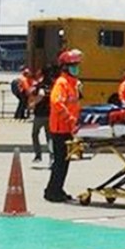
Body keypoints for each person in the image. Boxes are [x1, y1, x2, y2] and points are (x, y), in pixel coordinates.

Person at [45, 49, 84, 203]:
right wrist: (70, 119)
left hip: (67, 128)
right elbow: (57, 103)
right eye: (73, 65)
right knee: (60, 162)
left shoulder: (72, 84)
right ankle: (53, 192)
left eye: (77, 65)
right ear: (66, 67)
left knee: (63, 161)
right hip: (60, 128)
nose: (76, 68)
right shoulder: (62, 83)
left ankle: (56, 189)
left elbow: (74, 104)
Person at [29, 65, 54, 163]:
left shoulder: (41, 84)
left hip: (40, 114)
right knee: (50, 137)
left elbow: (40, 94)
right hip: (51, 114)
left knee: (35, 134)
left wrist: (33, 104)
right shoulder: (54, 84)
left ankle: (38, 155)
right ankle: (52, 157)